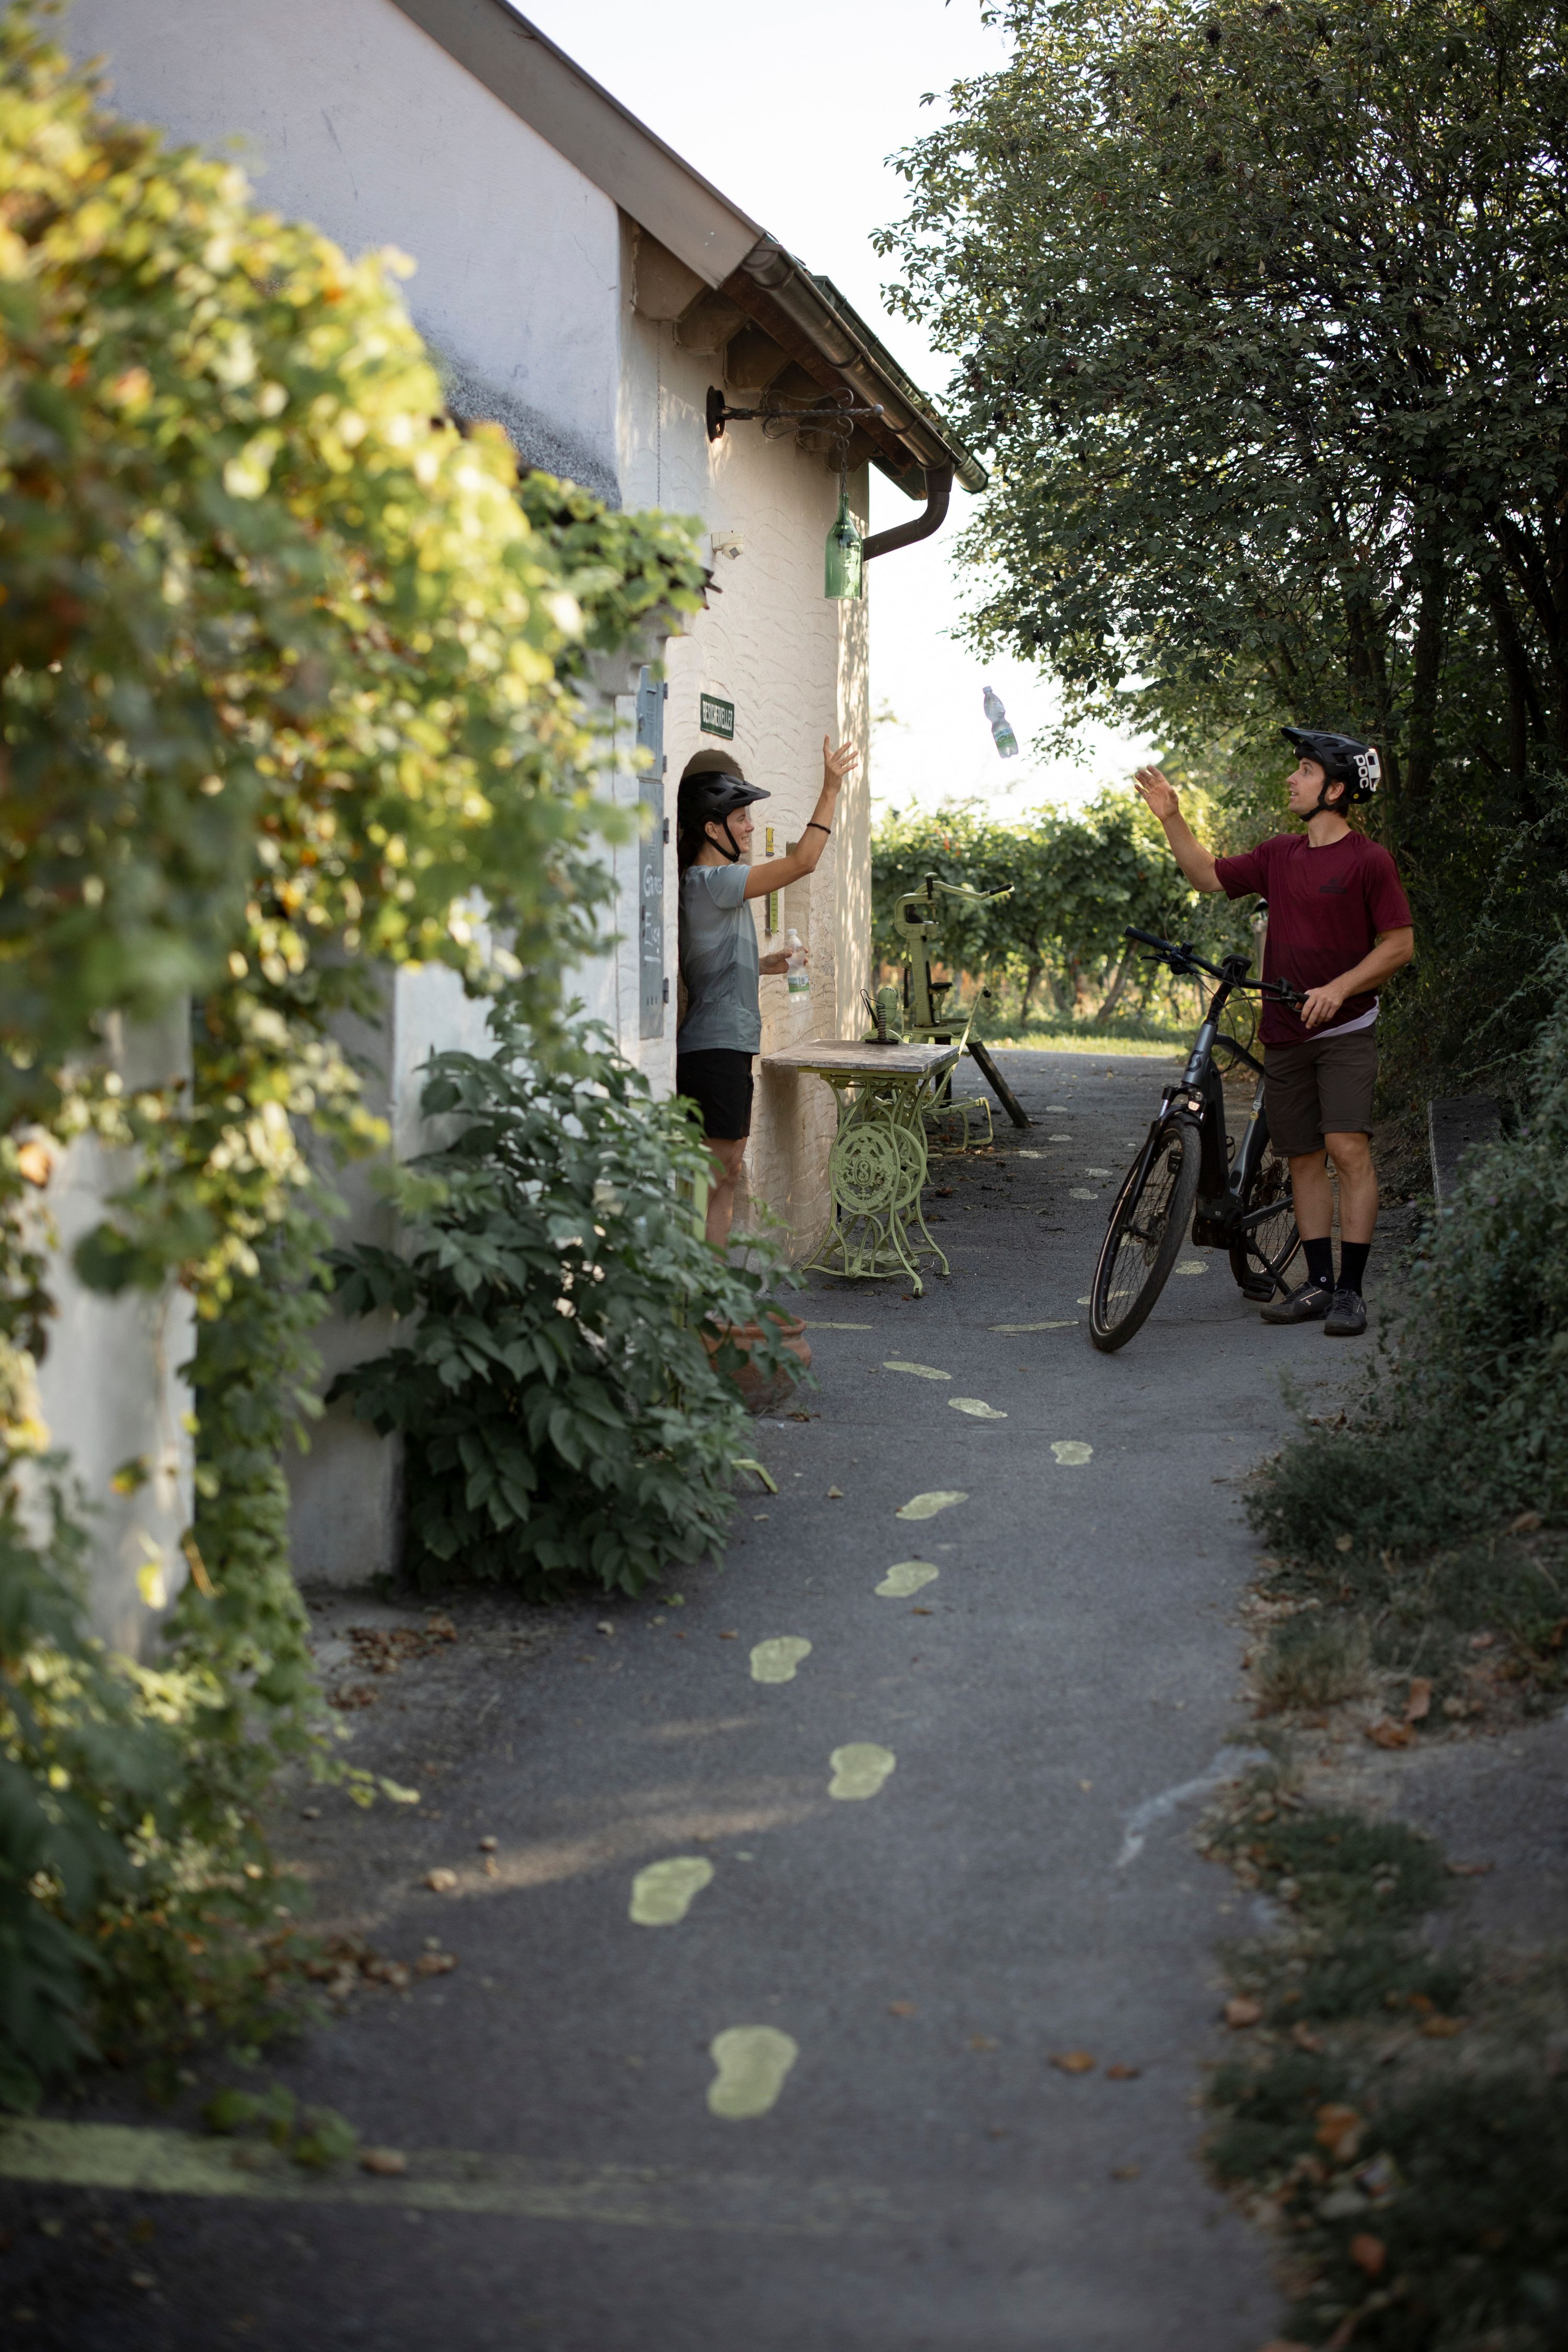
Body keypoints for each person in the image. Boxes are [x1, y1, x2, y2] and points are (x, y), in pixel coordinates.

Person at [1134, 728, 1414, 1338]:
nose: (1293, 778)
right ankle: (1316, 1285)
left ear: (1336, 789)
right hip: (1284, 1031)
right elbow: (1206, 876)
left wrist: (1340, 987)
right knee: (1304, 1159)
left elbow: (1399, 945)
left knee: (1347, 1150)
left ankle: (1351, 1292)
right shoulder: (1279, 854)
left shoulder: (1370, 861)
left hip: (1346, 1030)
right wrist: (1172, 819)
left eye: (1306, 771)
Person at [676, 736, 860, 1249]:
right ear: (713, 829)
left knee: (726, 1173)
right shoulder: (713, 880)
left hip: (727, 1043)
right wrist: (830, 788)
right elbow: (803, 861)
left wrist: (761, 965)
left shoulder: (709, 884)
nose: (751, 826)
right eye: (741, 818)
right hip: (713, 1047)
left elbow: (707, 963)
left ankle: (713, 1302)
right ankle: (703, 1304)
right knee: (715, 1177)